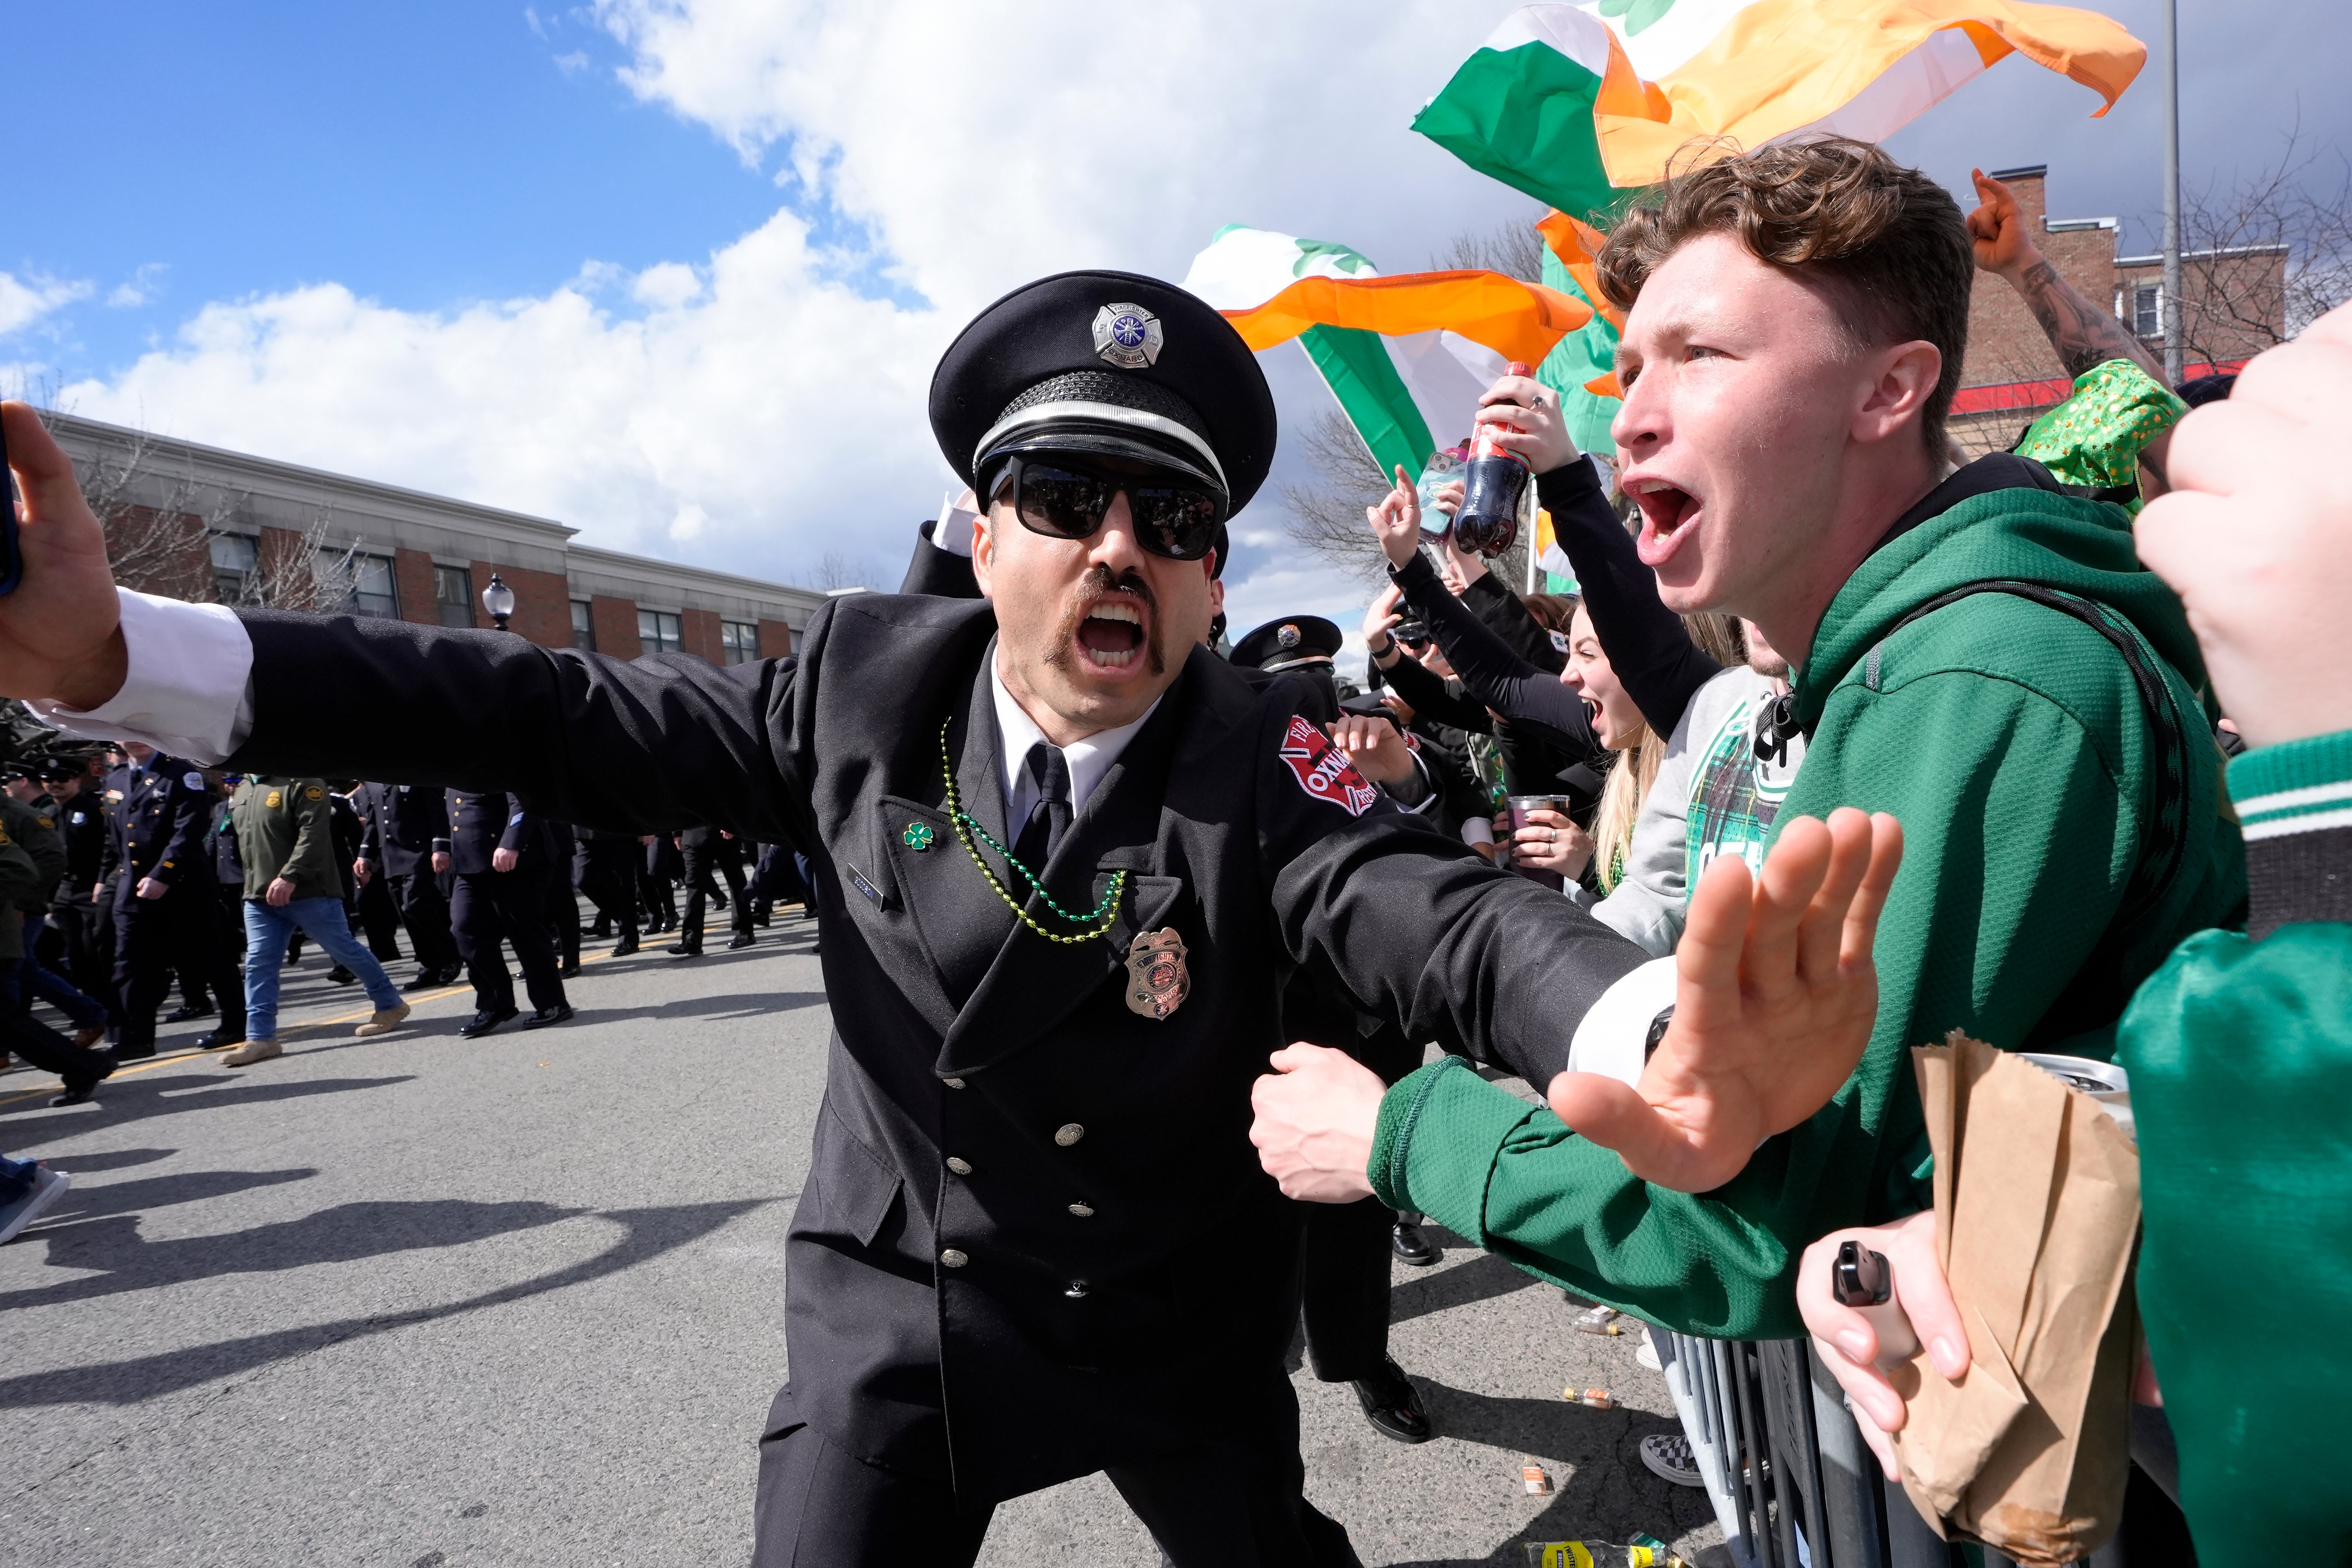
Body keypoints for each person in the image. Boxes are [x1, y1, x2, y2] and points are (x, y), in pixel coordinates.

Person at [3, 265, 1897, 1567]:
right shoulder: (851, 687)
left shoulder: (1275, 752)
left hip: (1167, 1319)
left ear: (1211, 575)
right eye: (1061, 496)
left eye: (1166, 520)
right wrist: (121, 654)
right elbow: (531, 706)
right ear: (981, 535)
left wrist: (1652, 1028)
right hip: (899, 1324)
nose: (1114, 549)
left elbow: (1445, 922)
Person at [1249, 136, 2242, 1337]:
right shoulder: (1902, 665)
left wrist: (1398, 1134)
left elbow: (1775, 1213)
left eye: (1699, 356)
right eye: (1625, 378)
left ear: (1888, 390)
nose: (1631, 422)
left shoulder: (1977, 680)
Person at [1799, 298, 2352, 1568]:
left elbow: (2297, 1468)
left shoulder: (2005, 666)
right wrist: (2018, 1208)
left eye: (1699, 350)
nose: (1640, 406)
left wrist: (2327, 805)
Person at [217, 774, 412, 1067]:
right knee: (259, 963)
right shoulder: (244, 787)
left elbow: (314, 832)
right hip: (259, 895)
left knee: (343, 950)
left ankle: (390, 1004)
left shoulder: (302, 781)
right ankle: (261, 1037)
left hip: (309, 890)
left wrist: (289, 875)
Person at [98, 741, 246, 1059]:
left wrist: (163, 874)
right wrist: (105, 880)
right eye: (125, 734)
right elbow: (115, 837)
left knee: (209, 956)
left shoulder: (181, 774)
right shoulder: (116, 779)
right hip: (132, 887)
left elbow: (190, 829)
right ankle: (132, 1038)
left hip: (182, 884)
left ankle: (235, 1023)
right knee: (129, 961)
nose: (134, 741)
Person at [433, 786, 572, 1038]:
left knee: (524, 932)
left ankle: (552, 1003)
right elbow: (452, 810)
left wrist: (512, 842)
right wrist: (442, 846)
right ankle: (496, 1004)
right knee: (464, 929)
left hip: (514, 859)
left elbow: (526, 800)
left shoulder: (498, 752)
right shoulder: (450, 761)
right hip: (469, 862)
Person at [357, 780, 463, 989]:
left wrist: (441, 847)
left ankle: (451, 953)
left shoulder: (415, 773)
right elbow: (374, 820)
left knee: (414, 904)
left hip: (419, 851)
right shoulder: (372, 782)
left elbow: (437, 810)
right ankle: (430, 965)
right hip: (392, 855)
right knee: (406, 912)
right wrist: (365, 855)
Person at [671, 821, 755, 957]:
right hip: (693, 835)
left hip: (723, 833)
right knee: (694, 887)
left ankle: (744, 931)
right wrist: (677, 833)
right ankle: (692, 940)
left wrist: (731, 824)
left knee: (736, 882)